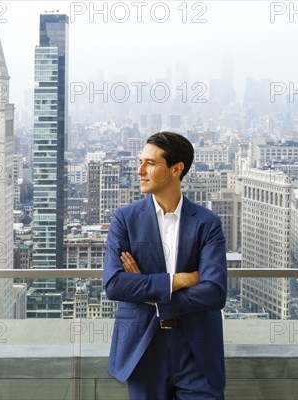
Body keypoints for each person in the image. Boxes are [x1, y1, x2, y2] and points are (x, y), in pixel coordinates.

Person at [103, 131, 228, 399]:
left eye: (150, 163)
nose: (140, 171)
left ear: (176, 169)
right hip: (144, 347)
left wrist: (152, 294)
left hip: (196, 349)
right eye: (140, 161)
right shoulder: (125, 220)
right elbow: (114, 284)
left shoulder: (207, 223)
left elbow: (215, 291)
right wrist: (180, 280)